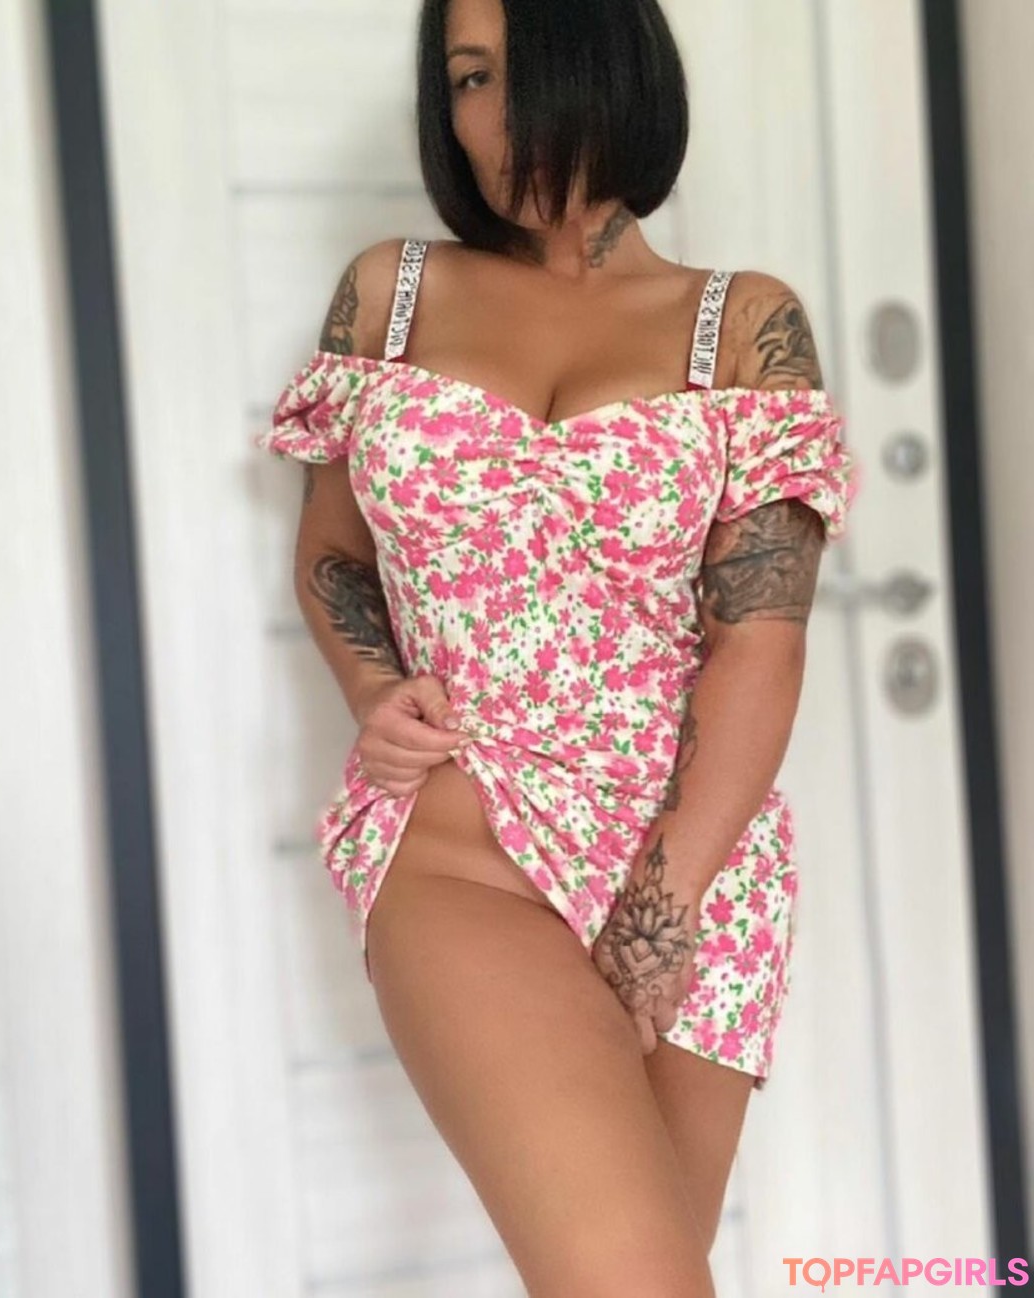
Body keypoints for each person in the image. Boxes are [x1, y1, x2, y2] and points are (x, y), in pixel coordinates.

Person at [256, 0, 860, 1293]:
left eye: (525, 71)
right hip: (464, 850)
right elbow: (330, 553)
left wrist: (663, 910)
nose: (497, 118)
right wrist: (374, 686)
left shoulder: (743, 326)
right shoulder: (390, 297)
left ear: (614, 65)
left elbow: (760, 646)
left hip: (699, 869)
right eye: (469, 79)